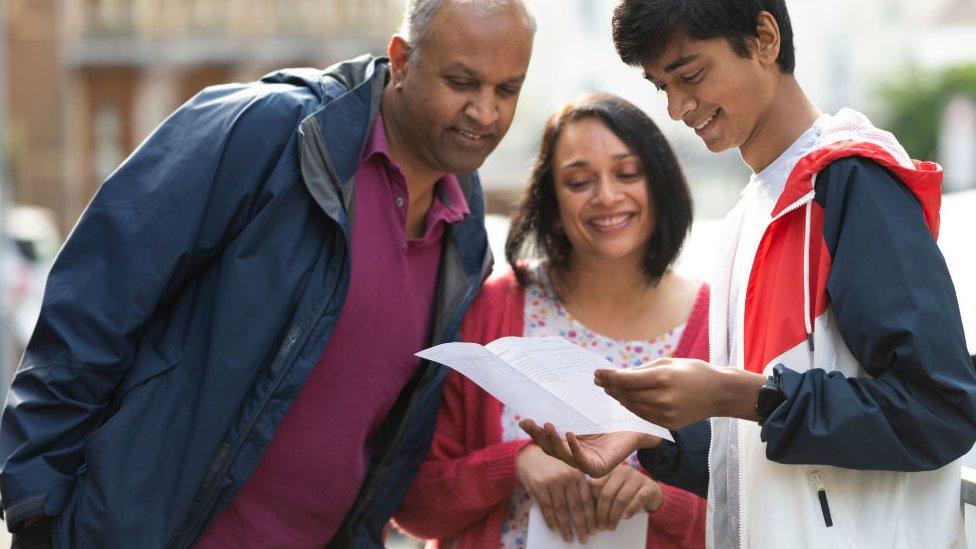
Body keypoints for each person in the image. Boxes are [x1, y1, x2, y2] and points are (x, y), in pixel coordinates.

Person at [0, 1, 535, 547]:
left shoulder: (465, 237)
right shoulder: (273, 131)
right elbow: (99, 292)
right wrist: (36, 504)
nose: (485, 112)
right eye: (462, 82)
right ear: (400, 59)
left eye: (506, 90)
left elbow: (386, 439)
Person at [521, 1, 976, 548]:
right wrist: (652, 437)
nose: (677, 107)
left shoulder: (852, 184)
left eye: (690, 74)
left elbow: (939, 411)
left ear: (765, 38)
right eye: (661, 85)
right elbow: (761, 458)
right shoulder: (749, 213)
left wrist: (743, 396)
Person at [394, 93, 707, 548]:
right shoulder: (491, 309)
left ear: (661, 183)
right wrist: (514, 464)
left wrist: (661, 500)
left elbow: (750, 516)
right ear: (551, 200)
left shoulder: (721, 326)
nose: (606, 196)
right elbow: (413, 505)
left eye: (627, 173)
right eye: (579, 181)